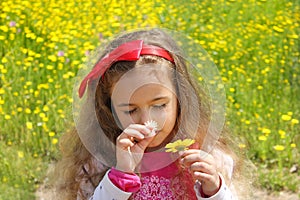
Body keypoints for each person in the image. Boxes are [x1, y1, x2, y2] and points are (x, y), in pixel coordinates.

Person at [52, 28, 250, 200]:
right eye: (130, 110)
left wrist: (214, 189)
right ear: (108, 107)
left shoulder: (208, 154)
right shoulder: (99, 162)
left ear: (181, 98)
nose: (148, 122)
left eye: (159, 105)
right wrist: (120, 174)